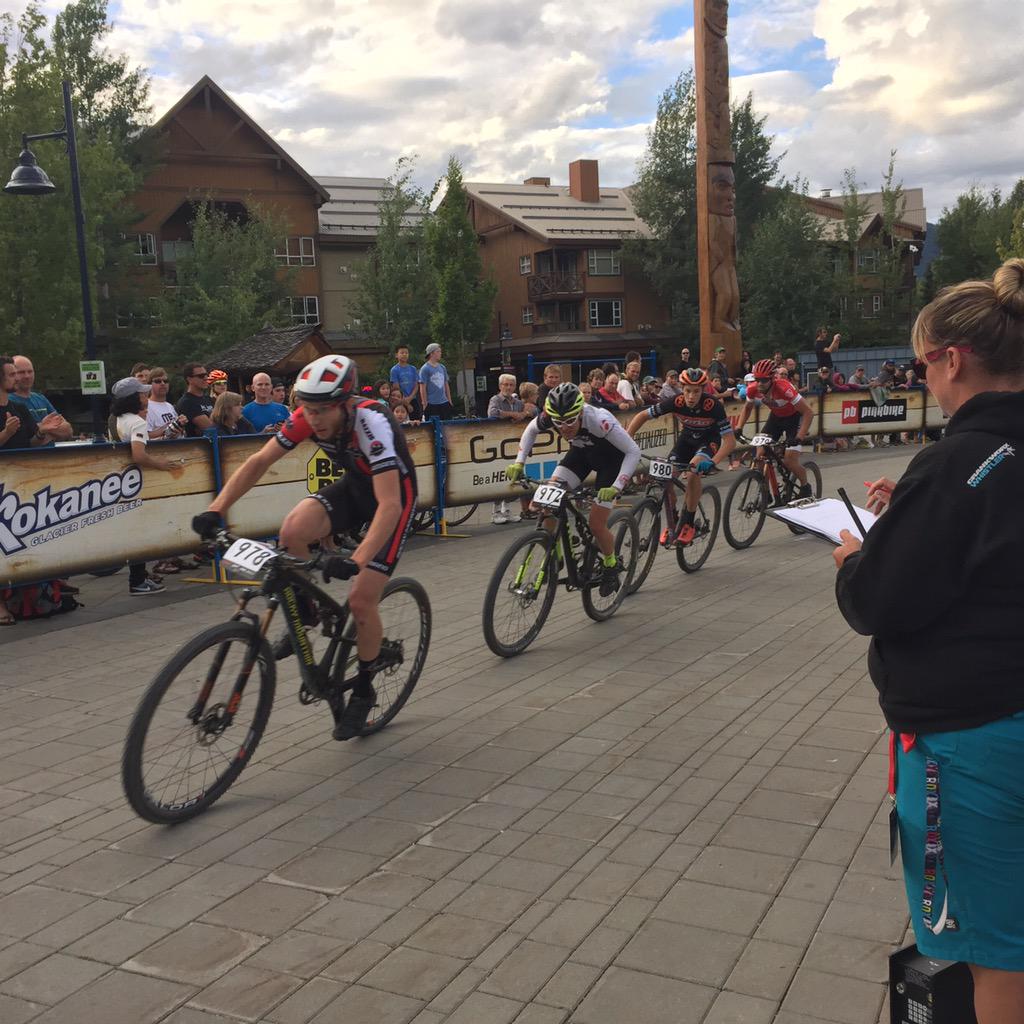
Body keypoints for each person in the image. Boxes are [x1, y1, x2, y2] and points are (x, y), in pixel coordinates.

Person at [832, 258, 1024, 1024]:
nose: (925, 381)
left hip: (973, 737)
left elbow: (882, 598)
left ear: (953, 359)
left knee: (995, 953)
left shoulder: (960, 461)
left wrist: (855, 557)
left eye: (923, 364)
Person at [192, 354, 418, 740]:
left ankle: (363, 690)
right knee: (292, 531)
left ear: (346, 403)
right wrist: (216, 510)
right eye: (307, 409)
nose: (313, 419)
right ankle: (308, 614)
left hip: (391, 499)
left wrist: (356, 560)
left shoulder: (373, 422)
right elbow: (259, 462)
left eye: (323, 410)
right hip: (354, 488)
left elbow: (390, 504)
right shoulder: (305, 417)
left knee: (362, 599)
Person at [506, 383, 639, 596]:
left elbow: (633, 451)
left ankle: (611, 564)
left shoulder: (599, 420)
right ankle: (555, 555)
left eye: (570, 421)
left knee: (596, 524)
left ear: (580, 412)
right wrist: (519, 462)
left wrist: (616, 487)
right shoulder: (551, 416)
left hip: (611, 464)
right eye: (559, 423)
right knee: (544, 505)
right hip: (581, 456)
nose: (564, 427)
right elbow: (530, 430)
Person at [627, 367, 735, 545]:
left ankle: (689, 523)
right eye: (687, 391)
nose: (691, 396)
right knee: (665, 477)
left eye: (696, 392)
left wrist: (713, 462)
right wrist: (627, 439)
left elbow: (730, 442)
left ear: (703, 390)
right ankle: (673, 519)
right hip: (686, 440)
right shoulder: (675, 401)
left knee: (693, 471)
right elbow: (642, 415)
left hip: (708, 441)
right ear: (682, 389)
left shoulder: (713, 405)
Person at [112, 377, 188, 595]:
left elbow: (141, 442)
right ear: (133, 398)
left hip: (127, 483)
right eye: (142, 394)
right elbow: (138, 454)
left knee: (137, 531)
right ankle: (137, 580)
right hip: (139, 482)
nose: (145, 397)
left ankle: (141, 576)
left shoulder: (122, 419)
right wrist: (161, 464)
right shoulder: (137, 421)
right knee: (141, 532)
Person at [734, 358, 814, 495]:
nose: (759, 383)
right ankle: (764, 492)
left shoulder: (784, 388)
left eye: (763, 380)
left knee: (790, 460)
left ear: (772, 379)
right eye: (757, 379)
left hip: (793, 418)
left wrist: (799, 437)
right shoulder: (752, 389)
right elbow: (747, 408)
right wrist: (738, 427)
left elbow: (808, 412)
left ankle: (805, 486)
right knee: (760, 455)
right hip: (775, 418)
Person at [0, 356, 64, 450]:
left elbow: (31, 444)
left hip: (24, 463)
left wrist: (41, 432)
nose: (17, 379)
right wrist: (7, 433)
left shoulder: (19, 408)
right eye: (12, 375)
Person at [487, 374, 527, 525]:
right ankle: (495, 512)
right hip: (497, 443)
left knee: (513, 477)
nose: (508, 387)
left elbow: (529, 412)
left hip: (514, 443)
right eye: (505, 385)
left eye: (511, 385)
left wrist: (524, 413)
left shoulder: (518, 402)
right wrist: (512, 414)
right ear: (500, 386)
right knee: (499, 475)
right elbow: (492, 413)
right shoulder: (495, 400)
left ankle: (507, 509)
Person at [11, 355, 72, 442]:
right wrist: (48, 430)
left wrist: (42, 429)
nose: (27, 376)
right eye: (21, 372)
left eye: (30, 371)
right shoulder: (8, 401)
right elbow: (23, 435)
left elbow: (68, 430)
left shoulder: (40, 398)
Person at [145, 367, 187, 440]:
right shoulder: (146, 407)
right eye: (158, 381)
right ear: (149, 385)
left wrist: (180, 424)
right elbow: (145, 435)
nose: (163, 383)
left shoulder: (169, 406)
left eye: (165, 381)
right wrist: (169, 428)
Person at [176, 362, 215, 436]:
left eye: (206, 375)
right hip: (199, 445)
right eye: (201, 376)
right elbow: (210, 428)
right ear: (189, 379)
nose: (205, 378)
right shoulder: (187, 402)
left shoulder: (208, 399)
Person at [418, 343, 454, 419]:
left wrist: (449, 400)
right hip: (432, 403)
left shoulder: (442, 367)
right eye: (438, 351)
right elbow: (422, 387)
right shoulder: (425, 369)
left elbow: (446, 384)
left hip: (444, 402)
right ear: (431, 353)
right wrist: (424, 403)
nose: (440, 353)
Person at [389, 344, 420, 418]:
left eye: (406, 353)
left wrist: (410, 398)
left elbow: (416, 385)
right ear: (397, 355)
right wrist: (406, 403)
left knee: (417, 420)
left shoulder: (413, 369)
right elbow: (396, 388)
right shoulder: (394, 370)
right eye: (402, 353)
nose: (404, 355)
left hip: (413, 399)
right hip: (401, 401)